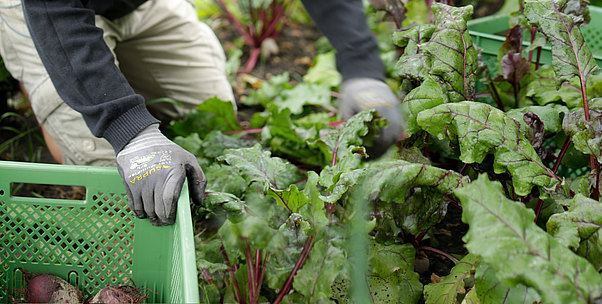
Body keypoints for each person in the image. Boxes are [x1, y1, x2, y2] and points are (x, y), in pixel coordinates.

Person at [0, 0, 402, 226]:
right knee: (115, 182)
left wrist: (363, 68)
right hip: (44, 10)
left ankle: (106, 78)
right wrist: (132, 133)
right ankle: (46, 95)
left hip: (138, 3)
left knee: (212, 116)